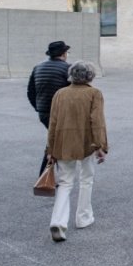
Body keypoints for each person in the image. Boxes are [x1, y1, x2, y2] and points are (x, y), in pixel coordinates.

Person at [46, 61, 108, 243]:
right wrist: (100, 146)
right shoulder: (94, 93)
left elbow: (53, 123)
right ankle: (83, 217)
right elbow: (97, 121)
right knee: (86, 179)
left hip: (63, 142)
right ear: (90, 76)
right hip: (86, 142)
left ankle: (58, 221)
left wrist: (50, 148)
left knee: (65, 182)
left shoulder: (60, 93)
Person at [28, 41, 71, 175]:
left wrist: (39, 107)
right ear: (63, 54)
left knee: (56, 139)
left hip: (44, 112)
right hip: (61, 112)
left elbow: (30, 92)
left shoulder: (38, 67)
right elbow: (71, 92)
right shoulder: (67, 68)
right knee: (57, 141)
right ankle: (47, 175)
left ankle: (47, 173)